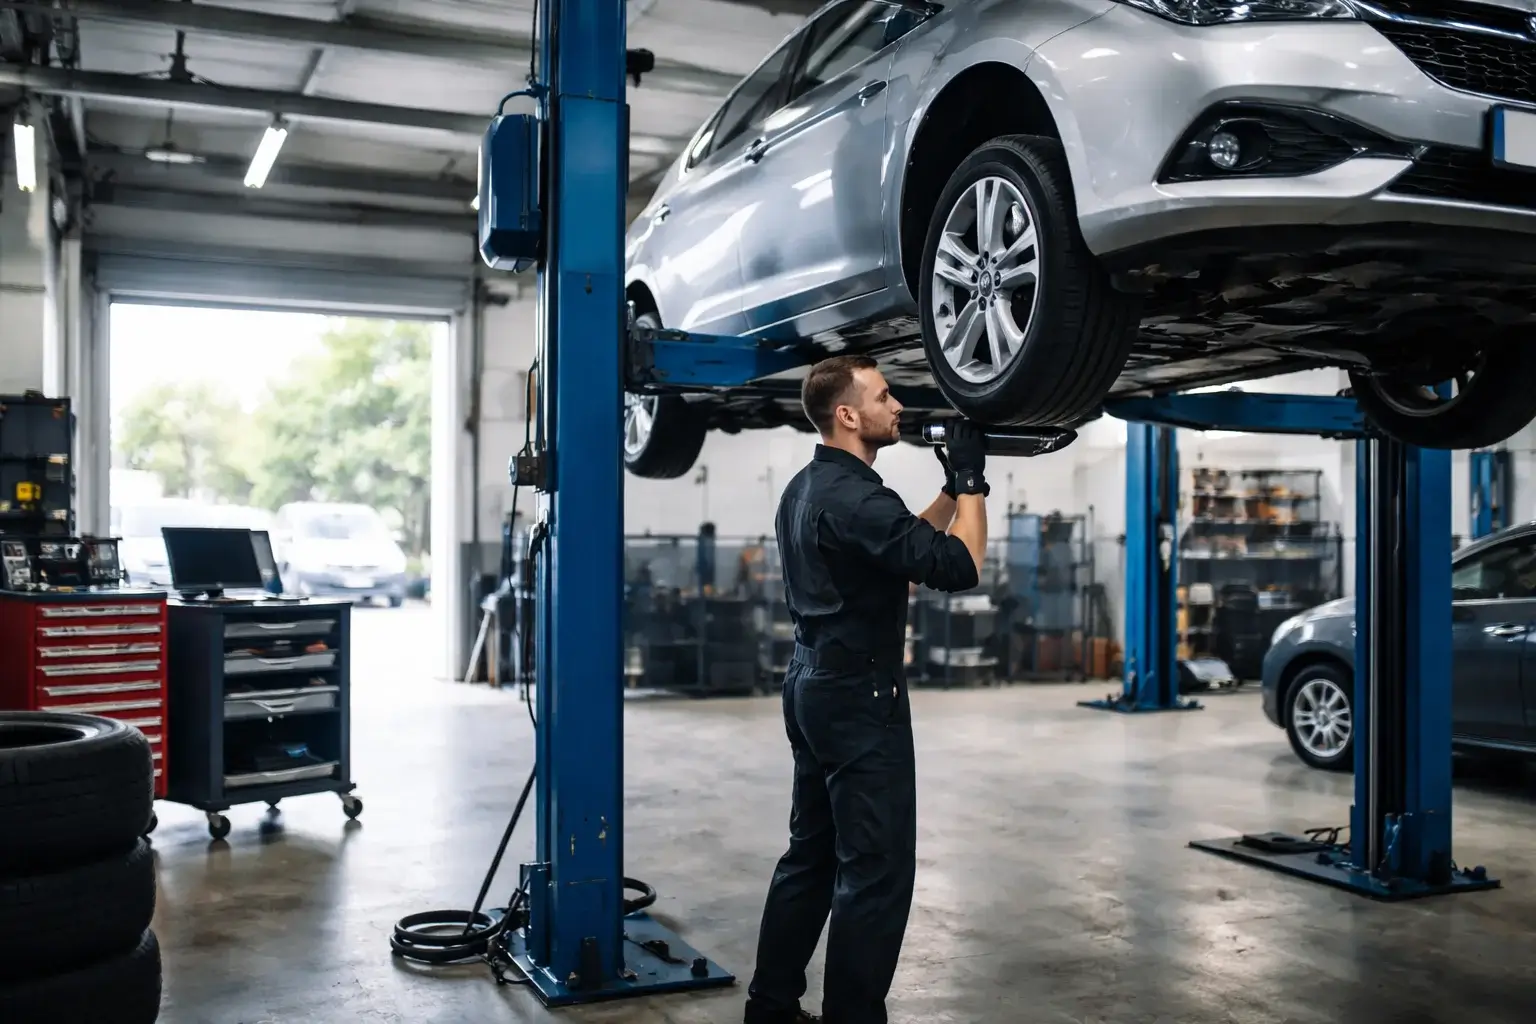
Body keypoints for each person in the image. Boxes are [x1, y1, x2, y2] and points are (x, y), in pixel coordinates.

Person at [744, 354, 989, 1024]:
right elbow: (960, 565)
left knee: (812, 856)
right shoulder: (858, 498)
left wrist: (944, 491)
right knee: (876, 873)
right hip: (857, 697)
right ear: (848, 415)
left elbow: (904, 546)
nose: (897, 406)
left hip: (810, 684)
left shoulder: (807, 488)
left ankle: (769, 1009)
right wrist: (971, 481)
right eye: (884, 397)